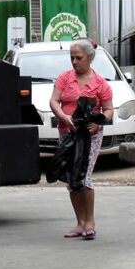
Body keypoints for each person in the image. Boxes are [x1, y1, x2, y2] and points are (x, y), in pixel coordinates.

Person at [49, 38, 114, 240]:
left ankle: (90, 221)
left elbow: (109, 110)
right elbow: (54, 101)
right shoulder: (64, 78)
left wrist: (99, 123)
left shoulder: (100, 83)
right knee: (71, 179)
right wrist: (63, 116)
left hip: (90, 136)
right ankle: (80, 222)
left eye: (78, 58)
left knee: (84, 176)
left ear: (90, 57)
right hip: (67, 132)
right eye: (72, 58)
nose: (74, 62)